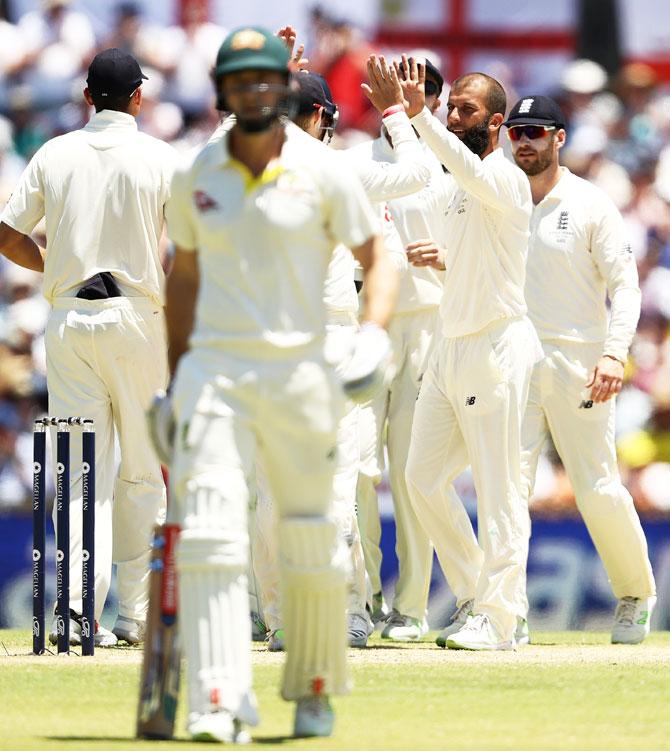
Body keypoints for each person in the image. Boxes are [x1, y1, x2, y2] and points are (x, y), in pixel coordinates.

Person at [161, 27, 397, 742]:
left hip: (303, 368)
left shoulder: (325, 171)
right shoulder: (197, 171)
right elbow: (186, 279)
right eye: (241, 82)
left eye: (266, 80)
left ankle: (315, 683)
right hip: (217, 368)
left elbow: (376, 253)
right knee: (210, 531)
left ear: (283, 87)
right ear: (225, 92)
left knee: (314, 532)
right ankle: (216, 696)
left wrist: (373, 331)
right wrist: (172, 383)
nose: (255, 92)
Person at [251, 63, 430, 651]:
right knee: (335, 484)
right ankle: (339, 610)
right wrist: (395, 112)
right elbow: (418, 171)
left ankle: (282, 617)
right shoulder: (336, 165)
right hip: (328, 339)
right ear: (324, 117)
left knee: (273, 490)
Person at [0, 48, 176, 647]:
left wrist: (48, 265)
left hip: (70, 318)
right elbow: (198, 243)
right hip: (136, 318)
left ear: (85, 97)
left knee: (83, 474)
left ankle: (78, 616)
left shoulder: (55, 151)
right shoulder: (158, 155)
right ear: (137, 98)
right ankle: (133, 613)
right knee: (142, 472)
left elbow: (5, 230)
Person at [400, 59, 541, 650]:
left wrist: (408, 113)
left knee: (498, 486)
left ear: (497, 122)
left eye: (466, 109)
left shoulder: (504, 177)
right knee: (421, 478)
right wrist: (447, 258)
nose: (453, 115)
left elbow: (458, 163)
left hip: (495, 345)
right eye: (449, 106)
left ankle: (501, 617)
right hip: (450, 346)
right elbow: (483, 258)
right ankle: (473, 593)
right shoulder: (461, 189)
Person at [505, 95, 656, 643]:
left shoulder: (590, 203)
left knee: (596, 485)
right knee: (508, 487)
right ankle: (504, 610)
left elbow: (624, 285)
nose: (525, 141)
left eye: (536, 132)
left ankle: (636, 595)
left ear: (559, 138)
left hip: (581, 360)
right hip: (515, 357)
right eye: (517, 132)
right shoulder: (501, 198)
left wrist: (615, 352)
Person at [350, 56, 454, 640]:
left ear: (432, 101)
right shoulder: (357, 163)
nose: (414, 102)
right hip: (366, 328)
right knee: (359, 469)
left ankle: (411, 607)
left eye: (423, 94)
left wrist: (445, 258)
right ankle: (361, 602)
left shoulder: (451, 167)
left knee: (414, 472)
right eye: (401, 94)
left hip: (425, 328)